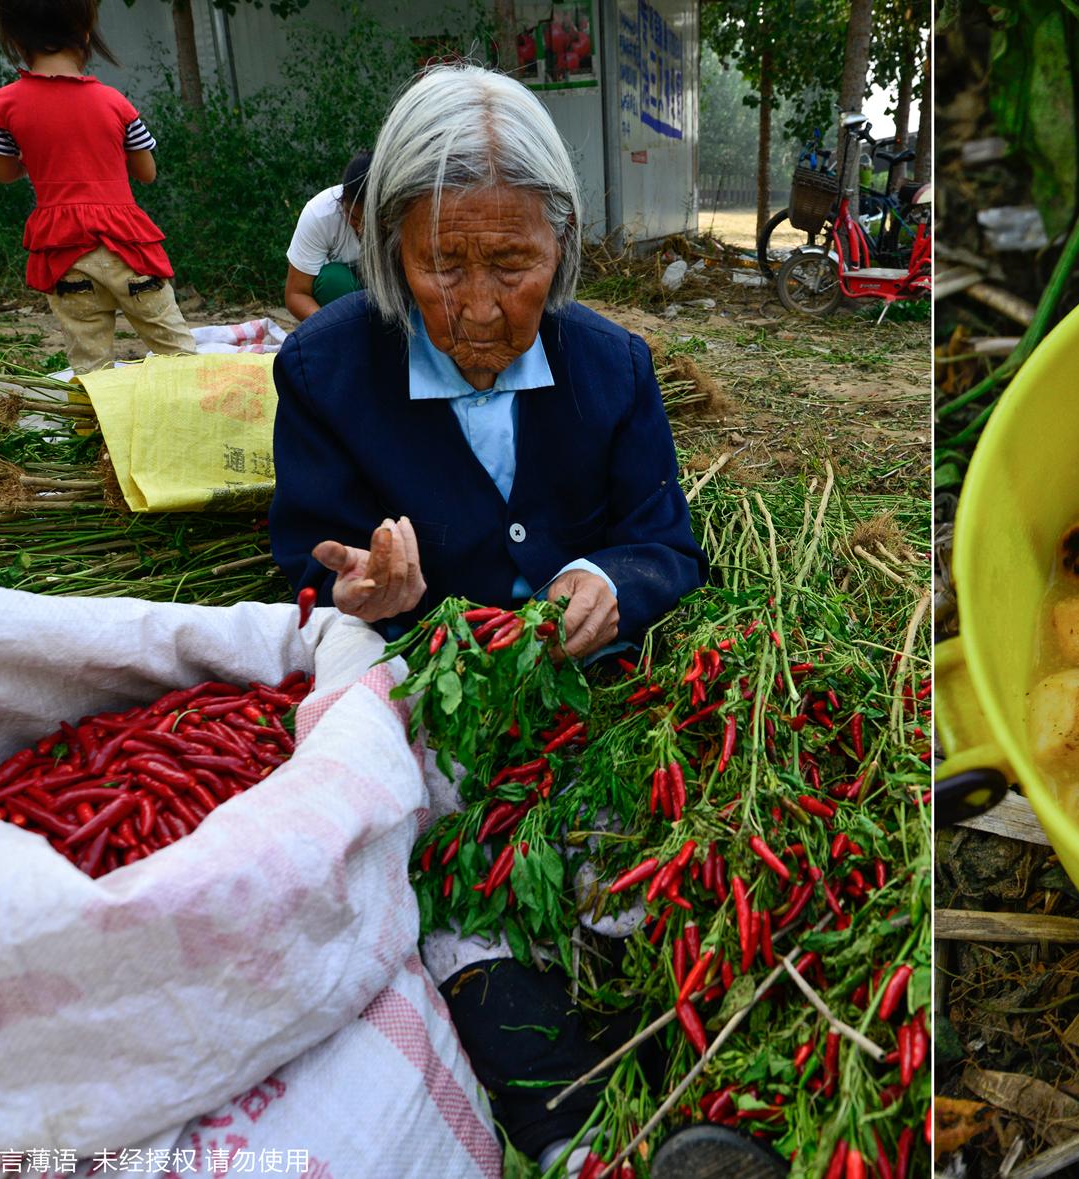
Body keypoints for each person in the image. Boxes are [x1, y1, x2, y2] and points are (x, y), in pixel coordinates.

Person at [267, 66, 778, 1179]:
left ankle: (725, 1093)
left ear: (566, 251)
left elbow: (665, 541)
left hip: (598, 702)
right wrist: (365, 595)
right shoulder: (324, 368)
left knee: (668, 866)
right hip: (431, 713)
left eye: (515, 265)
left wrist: (608, 577)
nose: (483, 306)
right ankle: (577, 1138)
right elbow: (295, 571)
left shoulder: (609, 368)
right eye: (442, 265)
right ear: (388, 251)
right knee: (462, 891)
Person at [0, 0, 195, 375]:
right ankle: (200, 415)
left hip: (64, 252)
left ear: (14, 39)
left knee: (90, 362)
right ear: (84, 34)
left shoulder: (6, 104)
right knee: (176, 350)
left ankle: (94, 430)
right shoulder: (115, 102)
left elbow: (3, 172)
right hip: (128, 247)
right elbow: (146, 172)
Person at [283, 151, 371, 321]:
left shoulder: (401, 215)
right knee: (332, 279)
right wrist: (328, 328)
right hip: (346, 305)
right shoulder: (319, 214)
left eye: (369, 221)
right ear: (342, 201)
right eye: (353, 217)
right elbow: (296, 294)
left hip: (387, 301)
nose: (361, 229)